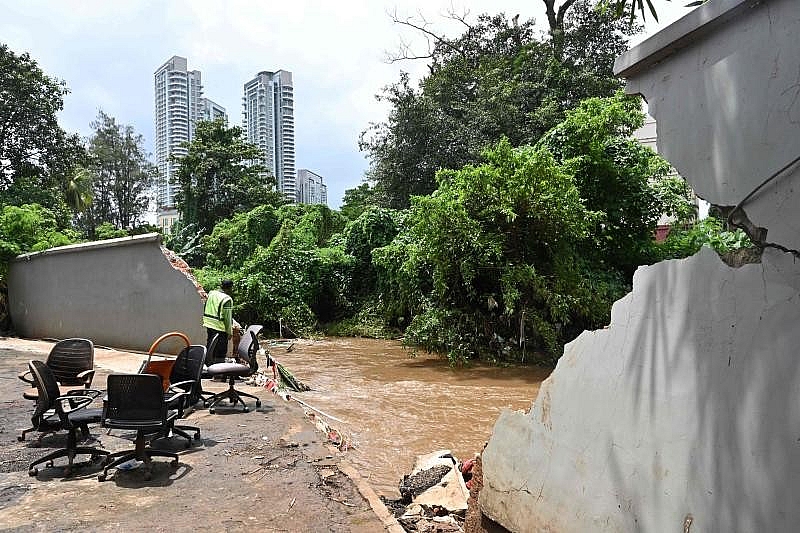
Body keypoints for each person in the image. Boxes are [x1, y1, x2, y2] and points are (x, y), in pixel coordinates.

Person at [203, 279, 235, 362]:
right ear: (230, 288)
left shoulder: (212, 293)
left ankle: (209, 367)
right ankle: (219, 371)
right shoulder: (227, 299)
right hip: (219, 328)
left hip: (208, 324)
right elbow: (227, 318)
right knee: (220, 352)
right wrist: (229, 332)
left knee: (211, 348)